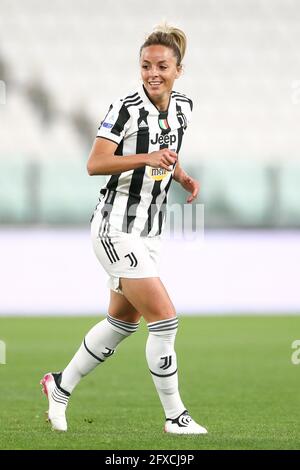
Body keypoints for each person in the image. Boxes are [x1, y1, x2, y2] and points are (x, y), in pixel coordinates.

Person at [40, 23, 207, 435]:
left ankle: (59, 386)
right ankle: (175, 417)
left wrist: (181, 175)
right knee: (165, 321)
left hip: (149, 231)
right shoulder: (125, 109)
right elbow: (94, 164)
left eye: (162, 66)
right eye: (146, 65)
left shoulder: (183, 106)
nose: (153, 73)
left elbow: (169, 151)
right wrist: (146, 157)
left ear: (178, 70)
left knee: (122, 323)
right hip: (115, 229)